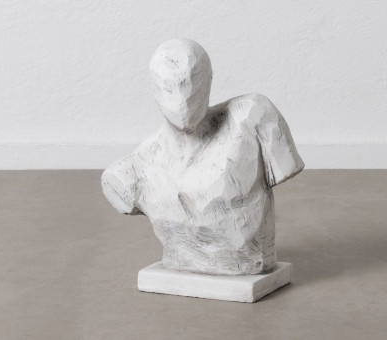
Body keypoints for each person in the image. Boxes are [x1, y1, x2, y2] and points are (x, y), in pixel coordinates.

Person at [102, 39, 304, 275]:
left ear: (209, 80)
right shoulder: (131, 171)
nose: (183, 99)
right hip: (179, 266)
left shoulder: (254, 117)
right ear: (154, 90)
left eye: (193, 82)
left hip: (250, 266)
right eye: (169, 87)